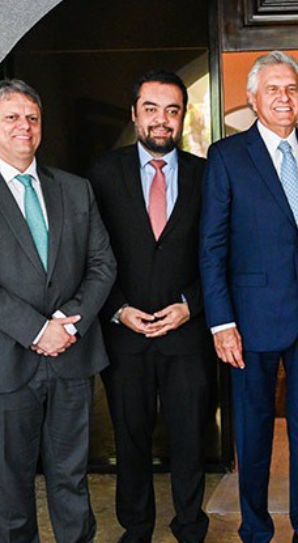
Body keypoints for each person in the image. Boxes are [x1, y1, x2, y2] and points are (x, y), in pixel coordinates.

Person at [0, 79, 116, 542]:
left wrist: (66, 324)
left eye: (32, 118)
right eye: (11, 117)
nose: (24, 127)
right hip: (2, 362)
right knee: (12, 488)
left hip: (71, 355)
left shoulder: (75, 190)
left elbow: (102, 264)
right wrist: (37, 330)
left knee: (72, 481)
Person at [199, 51, 298, 543]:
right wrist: (222, 322)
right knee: (253, 430)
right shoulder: (226, 156)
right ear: (252, 98)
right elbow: (212, 244)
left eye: (291, 89)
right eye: (272, 90)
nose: (283, 98)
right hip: (249, 320)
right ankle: (256, 527)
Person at [87, 69, 212, 542]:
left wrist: (190, 305)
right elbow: (90, 251)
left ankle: (190, 526)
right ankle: (136, 529)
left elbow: (218, 251)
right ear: (135, 113)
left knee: (189, 439)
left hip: (186, 331)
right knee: (130, 438)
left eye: (173, 110)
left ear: (182, 117)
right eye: (152, 109)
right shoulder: (102, 173)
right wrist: (117, 309)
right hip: (126, 334)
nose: (163, 120)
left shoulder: (205, 173)